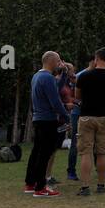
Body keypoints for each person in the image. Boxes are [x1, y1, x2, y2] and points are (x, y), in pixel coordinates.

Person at [75, 48, 105, 196]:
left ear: (96, 58)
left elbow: (77, 95)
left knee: (86, 152)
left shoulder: (85, 76)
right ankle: (101, 184)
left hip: (87, 116)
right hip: (104, 117)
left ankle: (85, 186)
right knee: (101, 152)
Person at [25, 52, 69, 197]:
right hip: (48, 120)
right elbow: (55, 101)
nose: (59, 64)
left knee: (36, 152)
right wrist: (66, 116)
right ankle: (40, 187)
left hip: (38, 119)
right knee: (45, 154)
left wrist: (64, 73)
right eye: (58, 61)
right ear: (51, 61)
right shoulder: (48, 78)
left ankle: (30, 183)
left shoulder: (38, 76)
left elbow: (55, 88)